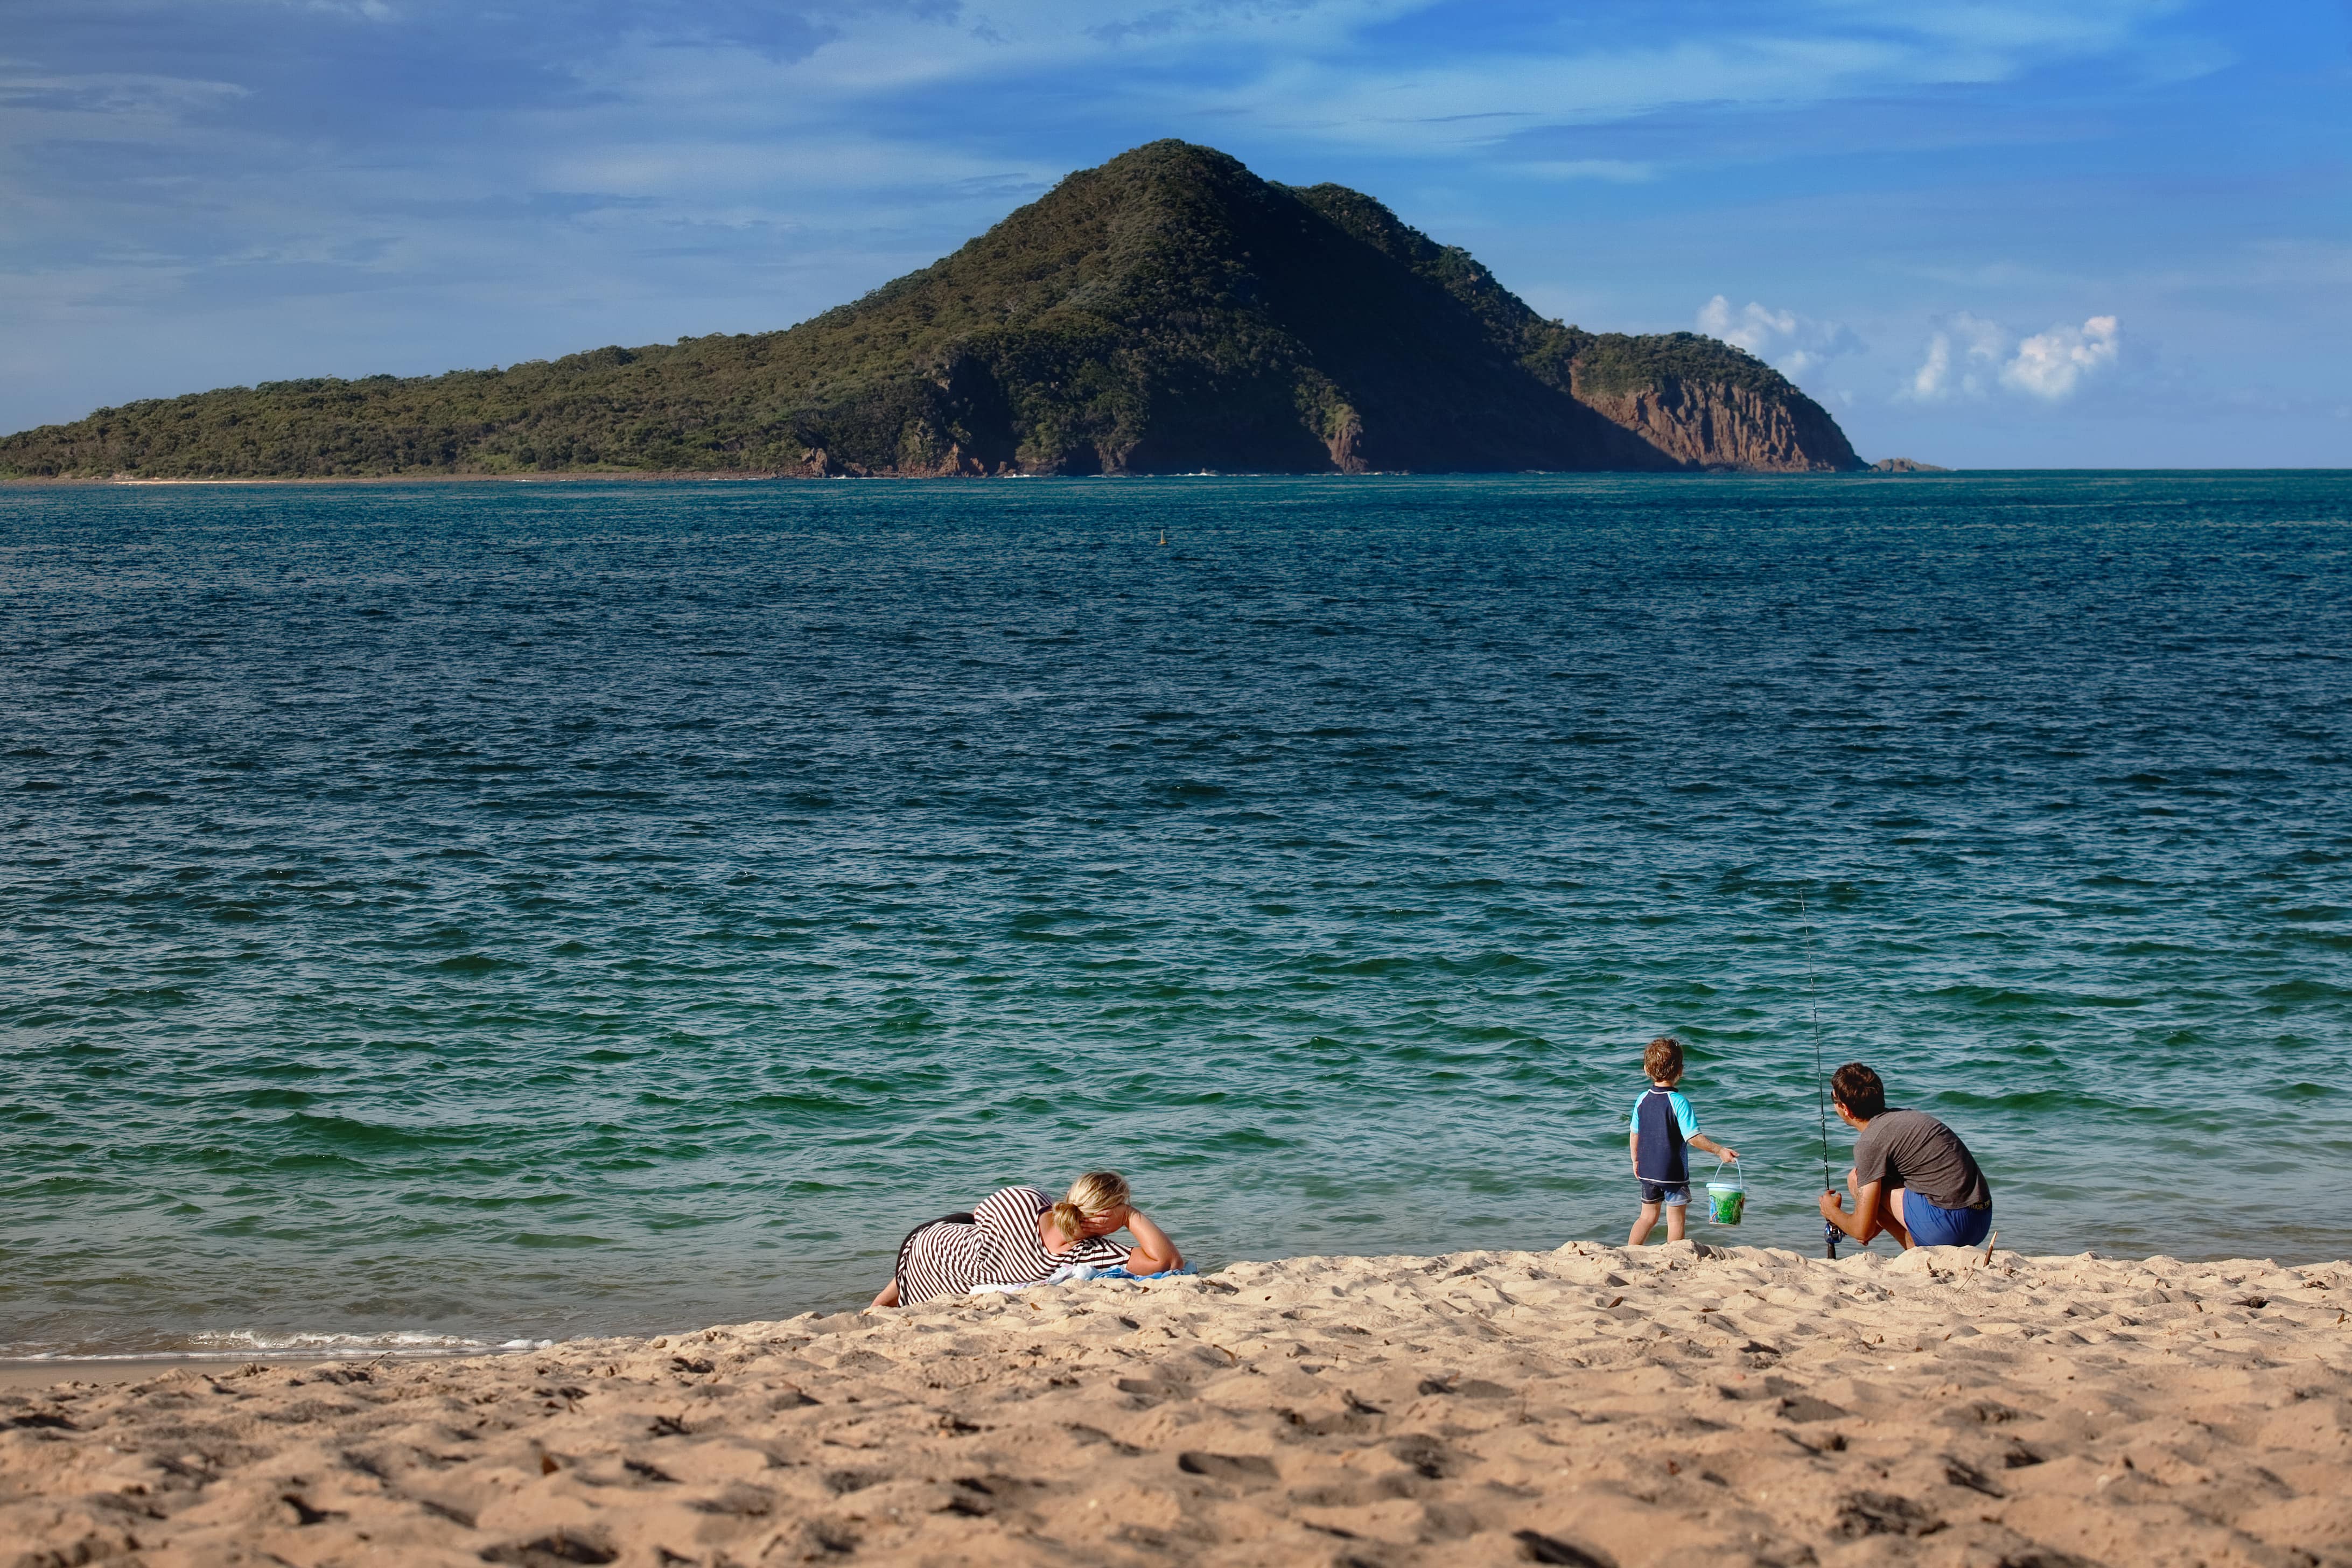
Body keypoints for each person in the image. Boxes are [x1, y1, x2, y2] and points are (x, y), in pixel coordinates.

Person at [871, 1170, 1183, 1308]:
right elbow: (1168, 1262)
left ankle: (882, 1300)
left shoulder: (1027, 1197)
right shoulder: (1091, 1253)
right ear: (1107, 1216)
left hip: (924, 1242)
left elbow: (978, 1214)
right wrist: (1129, 1216)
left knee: (967, 1233)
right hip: (933, 1292)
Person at [1817, 1062, 1993, 1249]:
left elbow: (1863, 1231)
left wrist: (1831, 1211)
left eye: (1833, 1099)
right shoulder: (1908, 1118)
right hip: (1981, 1219)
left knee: (1856, 1178)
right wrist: (1867, 1222)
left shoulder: (1870, 1142)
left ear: (1846, 1109)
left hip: (1951, 1226)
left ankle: (1913, 1249)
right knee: (1877, 1184)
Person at [1628, 1035, 1738, 1245]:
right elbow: (1693, 1138)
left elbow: (1635, 1133)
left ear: (1646, 1070)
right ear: (1681, 1071)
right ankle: (1674, 1253)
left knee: (1647, 1217)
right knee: (1676, 1220)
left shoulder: (1641, 1099)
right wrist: (1720, 1150)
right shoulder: (1679, 1102)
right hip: (1673, 1174)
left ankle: (1630, 1251)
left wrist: (1635, 1160)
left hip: (1648, 1171)